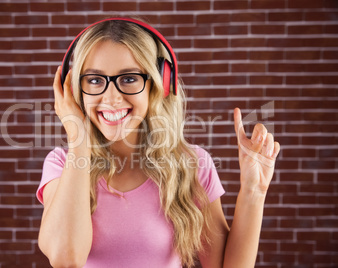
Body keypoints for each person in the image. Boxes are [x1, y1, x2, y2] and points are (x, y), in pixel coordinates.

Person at [36, 17, 280, 268]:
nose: (111, 98)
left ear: (159, 84)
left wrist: (254, 191)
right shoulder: (62, 164)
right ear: (75, 89)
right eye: (95, 80)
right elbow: (65, 258)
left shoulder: (193, 165)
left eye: (129, 79)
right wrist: (78, 139)